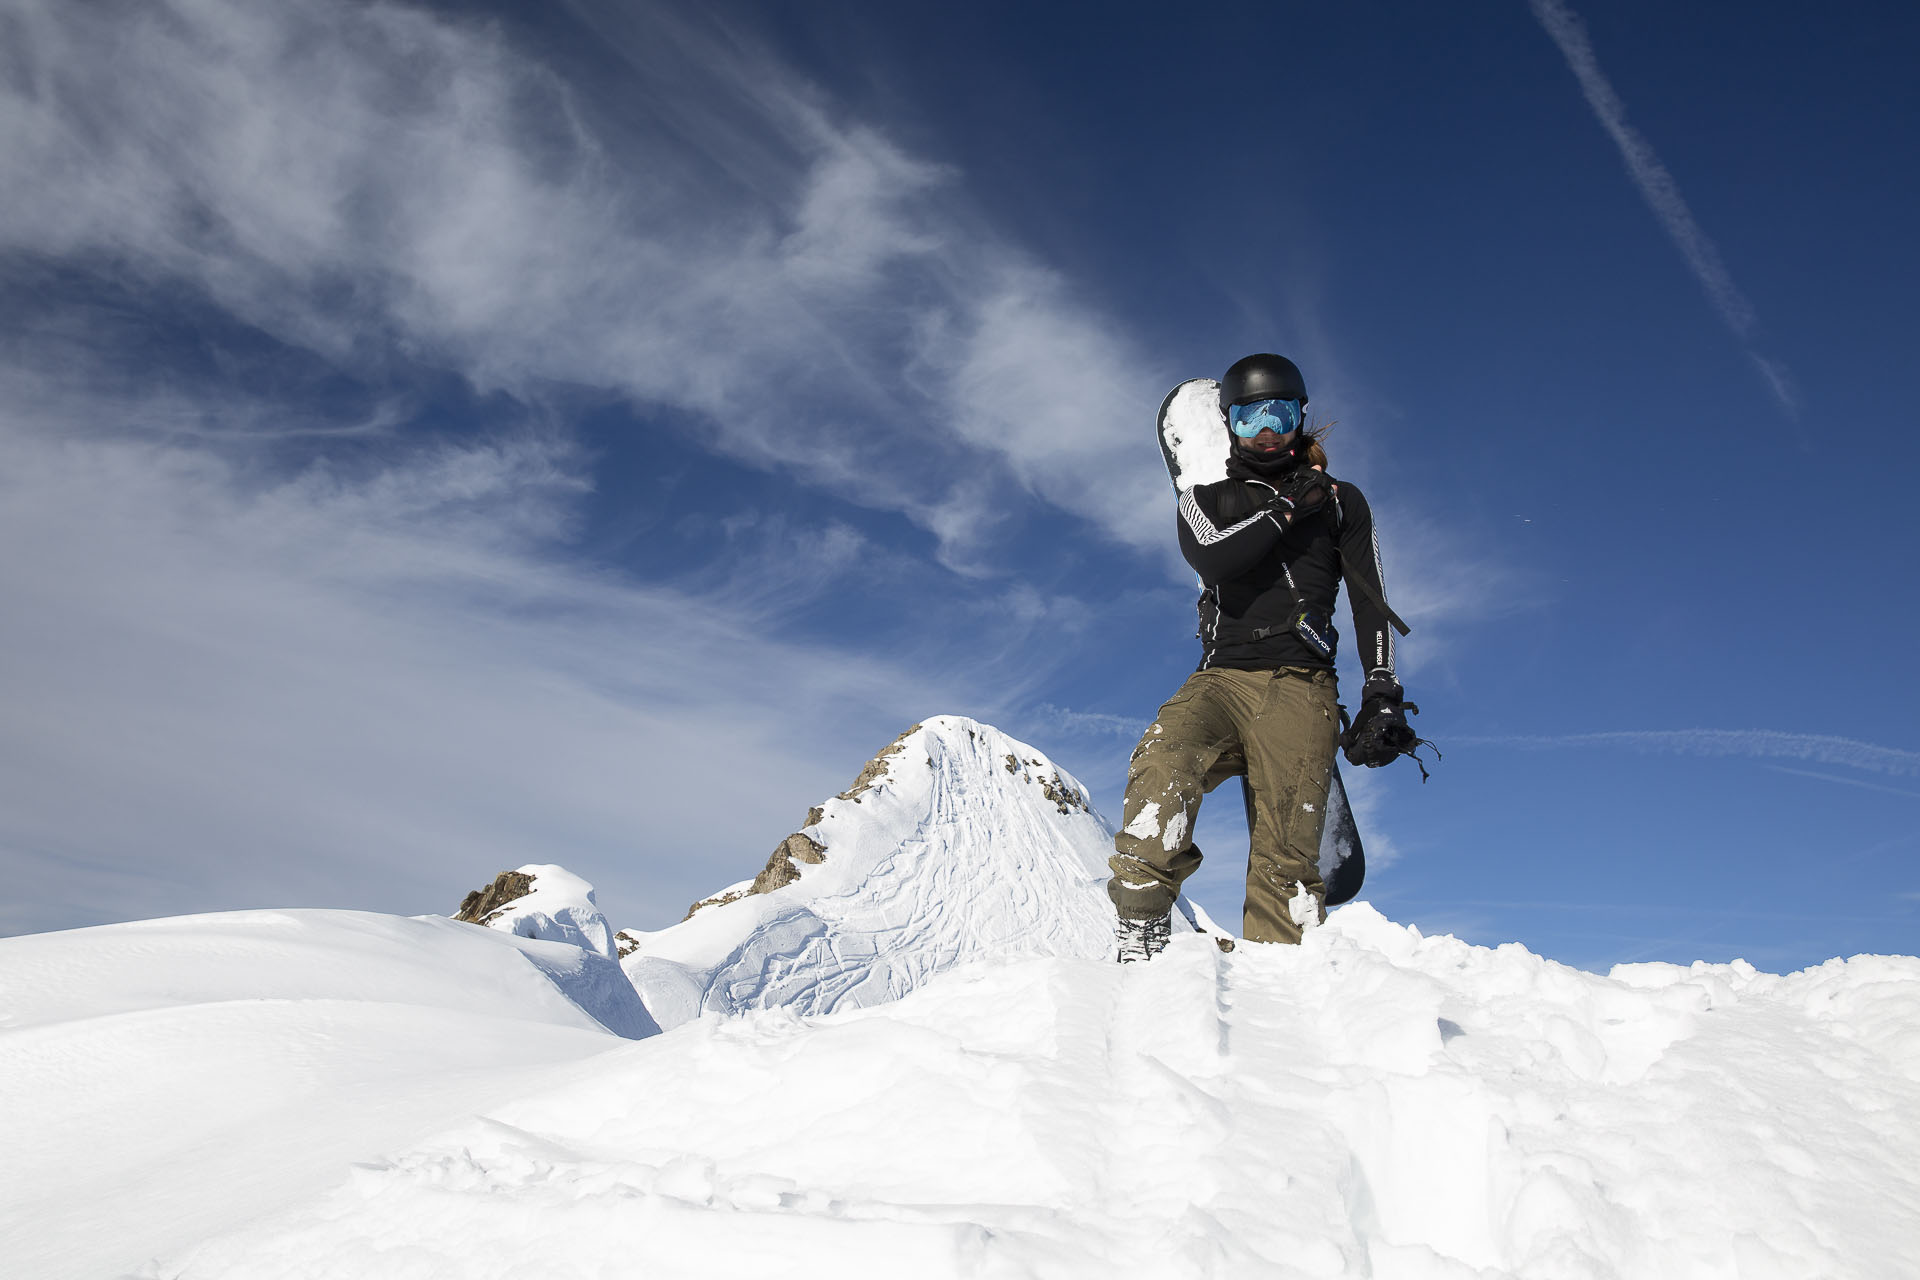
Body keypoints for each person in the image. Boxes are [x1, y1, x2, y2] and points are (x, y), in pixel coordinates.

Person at [1111, 353, 1417, 961]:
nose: (1268, 429)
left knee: (1287, 860)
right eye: (1251, 417)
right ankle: (1140, 931)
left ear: (1302, 418)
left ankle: (1279, 991)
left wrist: (1380, 690)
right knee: (1162, 762)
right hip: (1220, 679)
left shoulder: (1341, 503)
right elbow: (1212, 558)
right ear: (1230, 425)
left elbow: (1370, 599)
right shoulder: (1208, 498)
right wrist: (1282, 510)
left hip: (1301, 684)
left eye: (1281, 412)